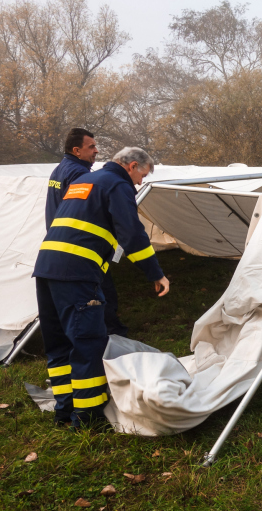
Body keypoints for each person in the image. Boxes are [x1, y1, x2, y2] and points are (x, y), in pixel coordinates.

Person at [33, 147, 170, 428]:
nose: (139, 184)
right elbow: (131, 233)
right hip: (77, 273)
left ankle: (64, 413)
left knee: (59, 346)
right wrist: (155, 273)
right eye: (140, 176)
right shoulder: (118, 184)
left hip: (46, 268)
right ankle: (88, 419)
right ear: (131, 166)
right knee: (88, 345)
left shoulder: (84, 181)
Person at [45, 128, 129, 337]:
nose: (96, 151)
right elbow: (88, 210)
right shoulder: (79, 174)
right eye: (91, 146)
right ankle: (112, 336)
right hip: (83, 248)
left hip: (60, 245)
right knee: (101, 293)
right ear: (76, 150)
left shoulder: (60, 169)